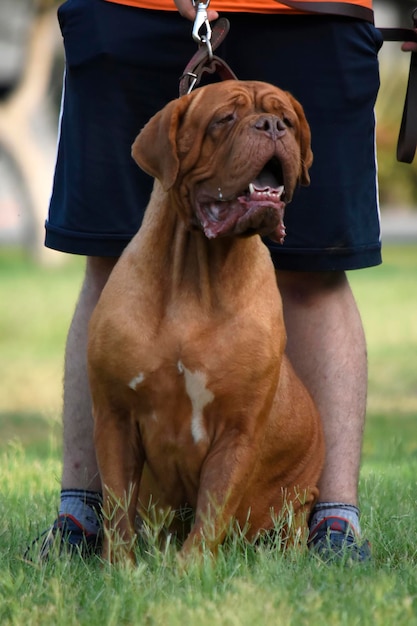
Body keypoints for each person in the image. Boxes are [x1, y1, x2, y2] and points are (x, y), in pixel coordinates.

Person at [33, 0, 386, 562]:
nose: (270, 128)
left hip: (314, 11)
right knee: (106, 256)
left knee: (318, 271)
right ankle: (84, 515)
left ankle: (333, 522)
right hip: (129, 10)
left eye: (282, 123)